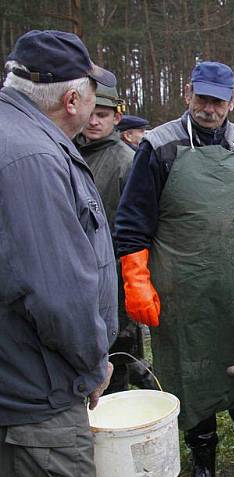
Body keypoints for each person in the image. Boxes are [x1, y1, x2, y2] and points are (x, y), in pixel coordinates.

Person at [115, 60, 234, 477]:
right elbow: (132, 222)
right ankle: (203, 463)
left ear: (233, 101)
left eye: (219, 100)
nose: (209, 108)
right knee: (192, 369)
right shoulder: (158, 148)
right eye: (202, 98)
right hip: (182, 282)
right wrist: (136, 280)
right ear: (187, 93)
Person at [0, 30, 117, 477]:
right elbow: (57, 295)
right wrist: (93, 365)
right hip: (39, 395)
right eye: (91, 95)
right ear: (72, 99)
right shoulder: (35, 160)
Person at [74, 82, 158, 394]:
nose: (95, 121)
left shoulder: (126, 160)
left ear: (116, 119)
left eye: (103, 115)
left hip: (116, 273)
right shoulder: (70, 151)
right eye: (91, 113)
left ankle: (124, 406)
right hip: (79, 270)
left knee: (117, 349)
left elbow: (141, 222)